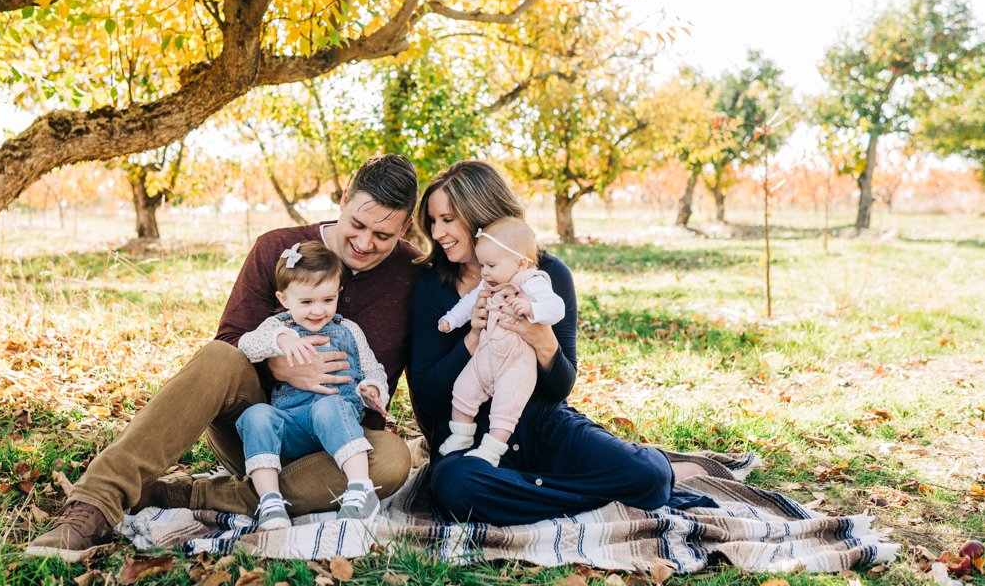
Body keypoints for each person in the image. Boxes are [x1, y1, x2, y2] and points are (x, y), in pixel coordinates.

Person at [27, 155, 421, 561]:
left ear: (404, 227)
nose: (364, 242)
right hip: (258, 427)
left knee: (393, 460)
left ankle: (194, 494)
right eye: (357, 224)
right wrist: (279, 365)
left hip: (340, 450)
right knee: (219, 356)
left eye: (383, 234)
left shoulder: (413, 272)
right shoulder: (275, 249)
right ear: (343, 199)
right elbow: (231, 341)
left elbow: (426, 368)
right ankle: (95, 502)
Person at [407, 160, 713, 525]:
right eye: (432, 220)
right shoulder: (430, 287)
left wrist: (544, 343)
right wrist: (471, 338)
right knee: (454, 488)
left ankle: (534, 489)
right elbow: (426, 397)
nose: (437, 231)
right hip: (472, 443)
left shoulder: (547, 275)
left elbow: (561, 387)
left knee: (653, 477)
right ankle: (596, 494)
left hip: (543, 426)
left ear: (482, 215)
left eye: (448, 219)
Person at [235, 241, 390, 528]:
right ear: (284, 299)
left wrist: (372, 389)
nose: (318, 311)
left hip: (336, 422)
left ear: (338, 293)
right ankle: (271, 502)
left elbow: (372, 368)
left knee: (328, 406)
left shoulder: (349, 329)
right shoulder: (278, 328)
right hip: (291, 426)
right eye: (306, 302)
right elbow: (245, 345)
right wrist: (280, 339)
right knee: (256, 415)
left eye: (327, 300)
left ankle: (361, 489)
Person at [435, 216, 564, 467]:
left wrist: (530, 307)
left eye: (491, 265)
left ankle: (491, 450)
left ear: (521, 263)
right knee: (462, 391)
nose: (484, 272)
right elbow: (469, 303)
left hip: (516, 364)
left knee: (505, 409)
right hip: (486, 355)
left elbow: (556, 307)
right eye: (482, 264)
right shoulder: (489, 283)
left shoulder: (532, 282)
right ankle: (461, 435)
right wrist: (451, 319)